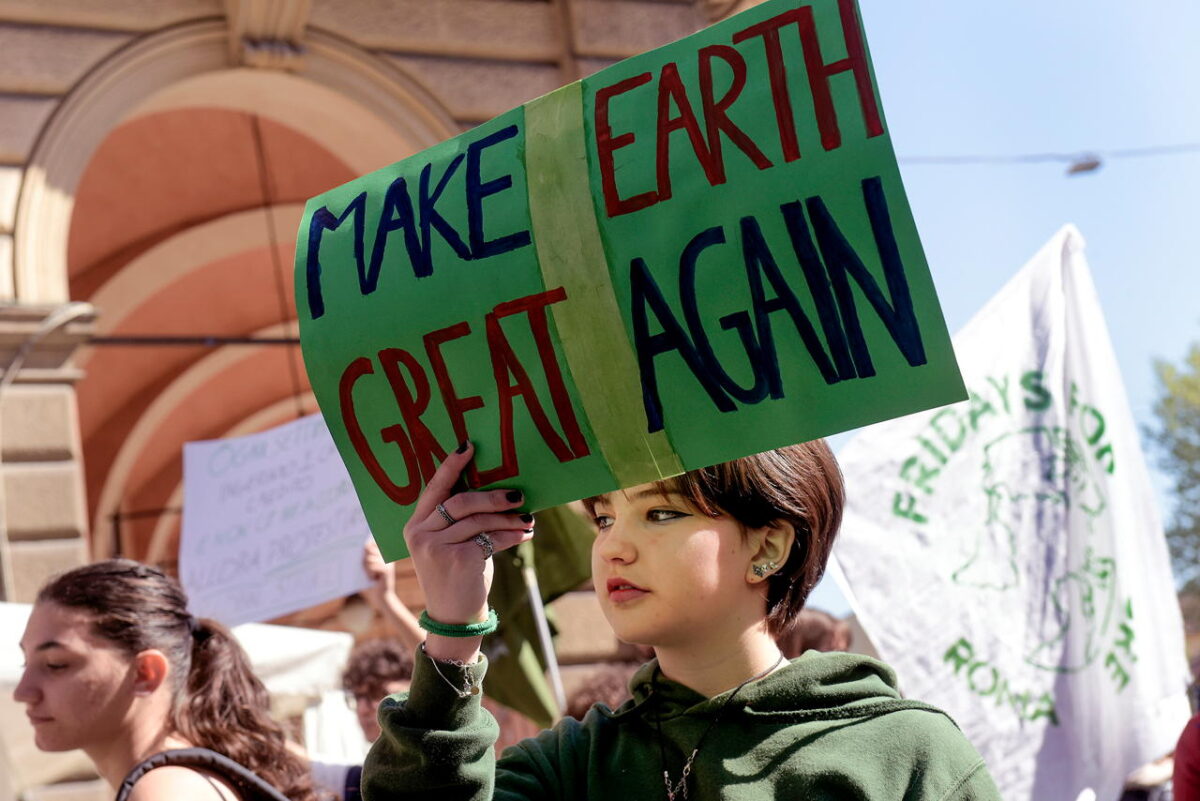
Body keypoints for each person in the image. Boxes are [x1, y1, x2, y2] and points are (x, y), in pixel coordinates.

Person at [361, 440, 1002, 799]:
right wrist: (451, 625)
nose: (613, 545)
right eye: (606, 517)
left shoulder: (907, 757)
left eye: (661, 514)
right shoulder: (574, 767)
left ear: (767, 547)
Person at [14, 559, 320, 801]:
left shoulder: (166, 790)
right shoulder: (179, 781)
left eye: (55, 664)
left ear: (146, 673)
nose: (22, 692)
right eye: (26, 662)